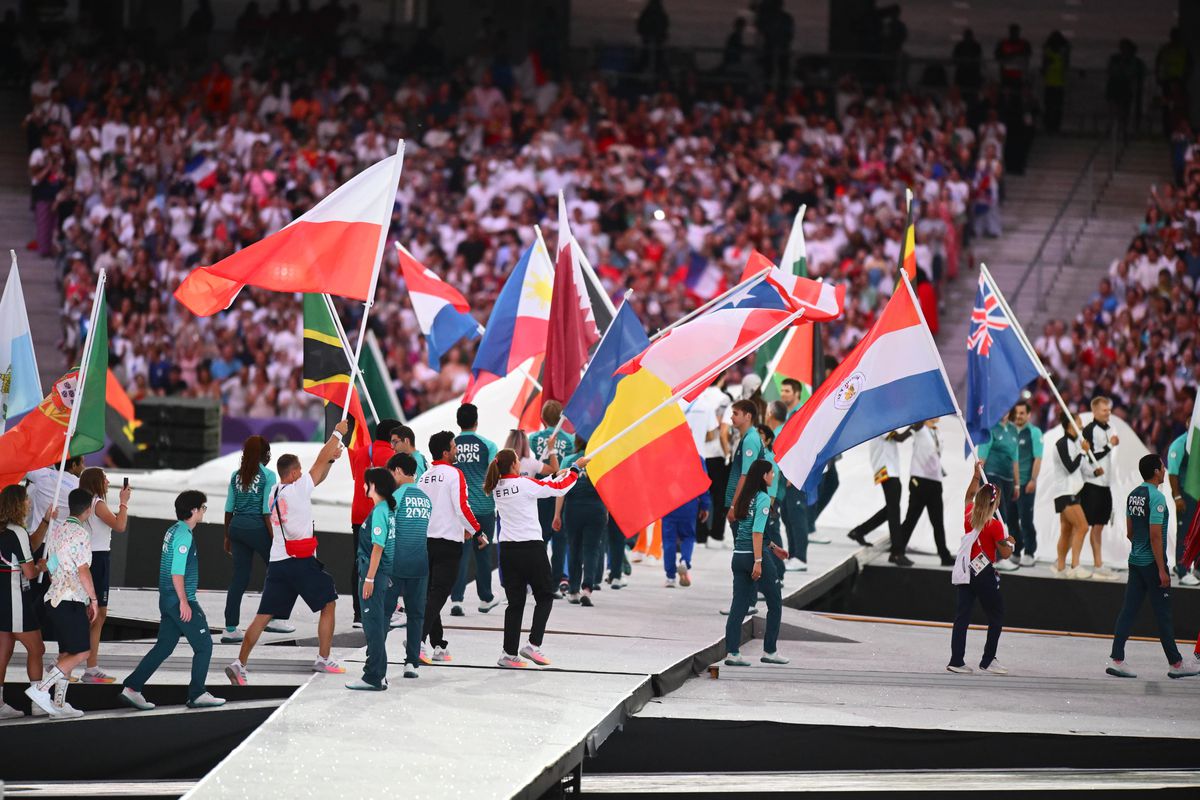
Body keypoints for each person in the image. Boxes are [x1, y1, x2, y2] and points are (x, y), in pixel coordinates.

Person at [225, 422, 350, 686]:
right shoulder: (298, 488)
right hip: (302, 562)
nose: (304, 474)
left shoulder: (275, 491)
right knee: (329, 603)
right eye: (300, 471)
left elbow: (319, 473)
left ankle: (240, 663)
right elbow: (316, 467)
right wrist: (337, 433)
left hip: (278, 562)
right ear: (293, 473)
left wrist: (331, 459)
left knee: (263, 616)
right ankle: (324, 658)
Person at [120, 490, 225, 710]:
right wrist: (184, 602)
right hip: (179, 600)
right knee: (204, 645)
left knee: (164, 646)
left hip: (167, 599)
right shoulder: (184, 535)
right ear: (194, 510)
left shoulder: (172, 530)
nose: (204, 512)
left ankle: (132, 688)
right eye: (203, 508)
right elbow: (177, 572)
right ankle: (198, 694)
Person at [486, 448, 584, 668]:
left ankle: (508, 653)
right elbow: (558, 489)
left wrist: (557, 474)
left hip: (508, 550)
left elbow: (541, 485)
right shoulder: (524, 484)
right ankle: (533, 644)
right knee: (545, 595)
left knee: (515, 603)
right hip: (531, 547)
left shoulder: (497, 487)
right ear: (513, 465)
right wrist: (576, 469)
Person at [1107, 455, 1200, 680]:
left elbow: (1129, 532)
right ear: (1157, 472)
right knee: (1163, 615)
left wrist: (1139, 550)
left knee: (1128, 610)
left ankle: (1116, 659)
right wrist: (1161, 569)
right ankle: (1176, 664)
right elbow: (1156, 535)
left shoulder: (1133, 495)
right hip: (1152, 564)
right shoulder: (1157, 497)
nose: (1165, 469)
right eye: (1162, 466)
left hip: (1135, 561)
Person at [26, 488, 97, 718]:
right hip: (70, 600)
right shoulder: (81, 534)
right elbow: (83, 570)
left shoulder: (57, 530)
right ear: (88, 510)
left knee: (67, 652)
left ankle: (58, 704)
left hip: (54, 599)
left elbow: (51, 567)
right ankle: (41, 689)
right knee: (82, 652)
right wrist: (93, 599)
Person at [417, 430, 485, 663]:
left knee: (431, 594)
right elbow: (462, 507)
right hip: (448, 543)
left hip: (426, 542)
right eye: (454, 447)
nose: (457, 450)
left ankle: (438, 645)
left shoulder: (424, 476)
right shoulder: (455, 474)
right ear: (446, 452)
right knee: (439, 594)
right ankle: (418, 640)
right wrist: (477, 531)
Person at [947, 462, 1014, 675]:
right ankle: (988, 659)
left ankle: (956, 660)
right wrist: (1010, 543)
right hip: (984, 572)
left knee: (962, 616)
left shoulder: (970, 514)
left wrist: (976, 476)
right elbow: (1005, 554)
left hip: (967, 570)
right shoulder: (995, 525)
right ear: (995, 501)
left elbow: (968, 497)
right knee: (996, 614)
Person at [723, 459, 789, 667]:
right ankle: (770, 650)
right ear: (763, 476)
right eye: (771, 473)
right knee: (775, 602)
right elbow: (757, 532)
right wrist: (759, 562)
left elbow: (750, 529)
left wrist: (775, 549)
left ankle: (732, 653)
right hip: (753, 556)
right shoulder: (762, 499)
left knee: (739, 606)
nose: (773, 476)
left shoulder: (745, 497)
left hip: (738, 556)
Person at [76, 466, 131, 684]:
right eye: (105, 478)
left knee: (98, 613)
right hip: (97, 559)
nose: (108, 481)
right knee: (96, 614)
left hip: (95, 558)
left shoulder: (88, 502)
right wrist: (124, 502)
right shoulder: (97, 503)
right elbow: (119, 525)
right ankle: (84, 664)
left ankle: (89, 665)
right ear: (96, 481)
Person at [221, 435, 279, 643]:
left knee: (240, 578)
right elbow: (266, 511)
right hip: (257, 528)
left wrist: (227, 536)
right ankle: (274, 619)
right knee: (276, 571)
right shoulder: (268, 476)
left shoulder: (236, 475)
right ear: (265, 454)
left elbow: (229, 509)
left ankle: (230, 628)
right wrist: (275, 539)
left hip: (236, 527)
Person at [0, 484, 49, 719]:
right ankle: (38, 703)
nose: (29, 504)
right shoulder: (17, 532)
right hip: (15, 600)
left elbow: (29, 545)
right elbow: (29, 572)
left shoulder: (7, 531)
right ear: (17, 504)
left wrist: (45, 522)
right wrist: (42, 565)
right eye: (26, 501)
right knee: (37, 648)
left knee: (3, 651)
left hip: (2, 599)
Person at [346, 468, 396, 691]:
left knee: (373, 627)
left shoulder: (379, 512)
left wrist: (369, 579)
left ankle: (373, 676)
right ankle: (379, 673)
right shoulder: (386, 509)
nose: (364, 487)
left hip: (374, 575)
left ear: (374, 486)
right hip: (383, 574)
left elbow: (378, 547)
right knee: (376, 626)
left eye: (366, 483)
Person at [349, 418, 401, 628]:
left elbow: (356, 477)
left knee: (359, 562)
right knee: (385, 562)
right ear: (391, 437)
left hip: (359, 514)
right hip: (381, 514)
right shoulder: (393, 456)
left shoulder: (361, 452)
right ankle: (383, 609)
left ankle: (358, 614)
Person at [450, 403, 500, 616]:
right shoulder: (488, 445)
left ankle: (456, 600)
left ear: (458, 422)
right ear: (476, 421)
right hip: (484, 507)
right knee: (484, 553)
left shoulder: (451, 446)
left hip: (460, 508)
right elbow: (494, 476)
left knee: (461, 554)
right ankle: (485, 597)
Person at [386, 453, 432, 679]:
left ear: (397, 471)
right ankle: (412, 663)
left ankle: (376, 659)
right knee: (416, 616)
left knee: (383, 614)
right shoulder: (426, 498)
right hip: (420, 564)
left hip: (396, 564)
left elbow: (388, 532)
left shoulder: (395, 497)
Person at [557, 436, 609, 605]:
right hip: (596, 508)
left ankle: (573, 590)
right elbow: (606, 487)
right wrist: (606, 510)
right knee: (592, 550)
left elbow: (561, 489)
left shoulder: (568, 460)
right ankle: (587, 588)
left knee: (574, 549)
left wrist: (557, 514)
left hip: (573, 509)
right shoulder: (600, 460)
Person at [897, 419, 953, 567]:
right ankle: (897, 552)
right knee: (911, 519)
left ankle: (944, 556)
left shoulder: (936, 431)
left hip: (935, 481)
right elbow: (902, 438)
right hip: (919, 481)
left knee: (938, 521)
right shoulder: (919, 426)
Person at [530, 402, 572, 593]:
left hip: (541, 490)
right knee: (560, 539)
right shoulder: (569, 440)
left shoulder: (534, 438)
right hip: (562, 490)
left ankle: (538, 578)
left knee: (540, 538)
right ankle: (556, 582)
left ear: (542, 418)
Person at [848, 429, 912, 550]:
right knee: (893, 510)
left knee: (890, 509)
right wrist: (914, 427)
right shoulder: (883, 424)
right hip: (886, 470)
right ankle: (897, 550)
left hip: (890, 470)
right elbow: (900, 438)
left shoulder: (885, 421)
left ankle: (859, 531)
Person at [1081, 397, 1121, 581]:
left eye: (1109, 409)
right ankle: (1076, 562)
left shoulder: (1108, 429)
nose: (1108, 412)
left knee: (1099, 527)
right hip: (1092, 485)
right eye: (1104, 410)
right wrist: (1110, 445)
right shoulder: (1089, 430)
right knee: (1085, 526)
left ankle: (1098, 564)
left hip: (1105, 485)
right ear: (1095, 411)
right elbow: (1090, 456)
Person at [1050, 415, 1093, 578]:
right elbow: (1070, 467)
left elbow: (1081, 469)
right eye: (1078, 423)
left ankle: (1060, 567)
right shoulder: (1062, 443)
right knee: (1082, 526)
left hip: (1073, 493)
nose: (1081, 426)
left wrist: (1092, 467)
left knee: (1067, 531)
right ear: (1070, 425)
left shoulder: (1075, 444)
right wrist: (1083, 451)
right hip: (1065, 493)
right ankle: (1075, 566)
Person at [976, 412, 1020, 571]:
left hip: (1008, 479)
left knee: (1002, 517)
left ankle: (991, 556)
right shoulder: (990, 428)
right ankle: (998, 557)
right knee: (997, 517)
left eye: (1007, 409)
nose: (1004, 412)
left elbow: (1015, 458)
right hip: (992, 476)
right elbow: (983, 454)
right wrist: (977, 479)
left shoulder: (1014, 430)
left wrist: (1017, 484)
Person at [660, 458, 710, 588]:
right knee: (688, 536)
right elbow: (703, 483)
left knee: (668, 540)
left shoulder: (665, 458)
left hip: (668, 502)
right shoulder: (697, 458)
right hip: (688, 503)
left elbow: (657, 481)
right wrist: (705, 505)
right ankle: (684, 560)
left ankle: (670, 577)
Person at [1012, 400, 1044, 567]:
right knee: (1011, 520)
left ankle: (1029, 552)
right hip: (1010, 484)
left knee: (1025, 519)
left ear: (1029, 414)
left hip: (1026, 483)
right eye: (1016, 413)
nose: (1018, 416)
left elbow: (1038, 458)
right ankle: (1016, 551)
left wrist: (1033, 480)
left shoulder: (1034, 432)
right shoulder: (1009, 431)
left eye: (1022, 413)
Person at [1166, 430, 1198, 585]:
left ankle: (1197, 568)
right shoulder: (1180, 444)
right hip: (1186, 495)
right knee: (1185, 533)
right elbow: (1172, 472)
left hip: (1198, 494)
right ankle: (1182, 568)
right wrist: (1177, 497)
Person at [724, 399, 763, 527]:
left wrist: (734, 506)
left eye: (735, 413)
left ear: (748, 416)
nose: (731, 417)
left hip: (742, 505)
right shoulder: (747, 437)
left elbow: (746, 476)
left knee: (743, 546)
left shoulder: (750, 440)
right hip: (742, 503)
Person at [1042, 30, 1070, 133]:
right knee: (1049, 106)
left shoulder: (1063, 52)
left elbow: (1066, 64)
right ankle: (1049, 126)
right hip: (1050, 83)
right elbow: (1044, 65)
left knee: (1057, 107)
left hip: (1058, 83)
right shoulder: (1048, 51)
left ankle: (1055, 126)